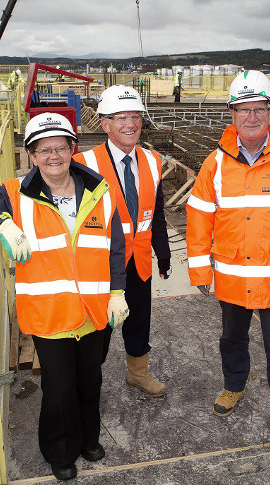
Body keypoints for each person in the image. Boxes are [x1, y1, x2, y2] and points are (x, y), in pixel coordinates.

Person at [0, 113, 129, 481]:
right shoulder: (14, 193)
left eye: (60, 148)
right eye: (44, 150)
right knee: (59, 389)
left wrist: (117, 292)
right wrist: (2, 222)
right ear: (32, 156)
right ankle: (60, 451)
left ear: (73, 150)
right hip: (50, 314)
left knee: (90, 381)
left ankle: (88, 439)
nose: (53, 156)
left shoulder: (100, 193)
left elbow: (115, 248)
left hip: (94, 311)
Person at [186, 70, 270, 456]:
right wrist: (199, 268)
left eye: (259, 108)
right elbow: (199, 213)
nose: (252, 117)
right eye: (243, 110)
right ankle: (234, 384)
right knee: (231, 339)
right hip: (230, 278)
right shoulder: (216, 162)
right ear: (232, 114)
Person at [75, 85, 171, 397]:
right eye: (120, 118)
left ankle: (137, 373)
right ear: (104, 123)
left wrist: (164, 253)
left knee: (139, 321)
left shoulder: (153, 161)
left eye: (135, 116)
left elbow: (155, 212)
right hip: (100, 264)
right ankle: (87, 383)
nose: (130, 124)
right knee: (97, 328)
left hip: (139, 260)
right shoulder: (83, 163)